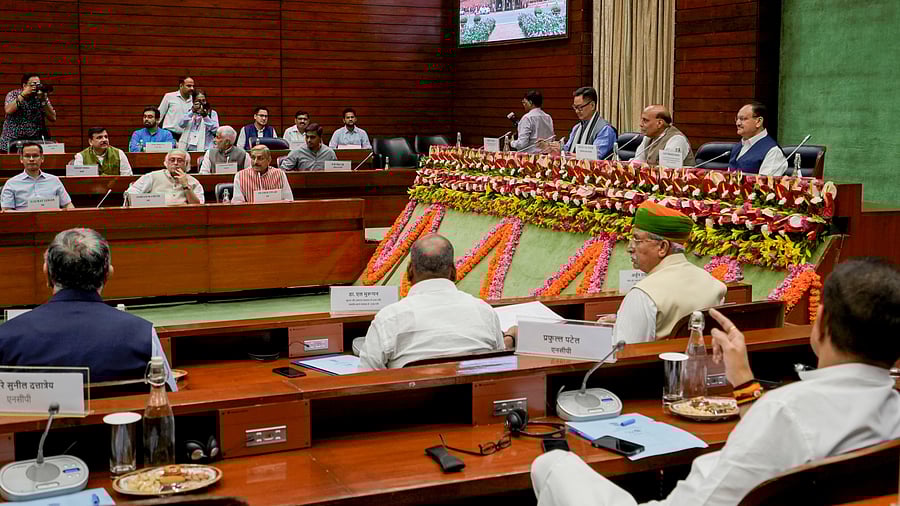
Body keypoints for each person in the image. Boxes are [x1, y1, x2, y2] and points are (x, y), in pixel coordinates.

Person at [531, 257, 900, 506]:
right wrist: (742, 381)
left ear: (822, 324)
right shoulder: (891, 408)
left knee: (553, 465)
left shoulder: (784, 410)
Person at [0, 228, 176, 390]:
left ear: (47, 273)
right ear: (107, 274)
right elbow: (168, 398)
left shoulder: (6, 336)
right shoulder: (143, 333)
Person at [359, 234, 505, 369]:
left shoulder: (389, 319)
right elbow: (500, 366)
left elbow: (365, 378)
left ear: (410, 271)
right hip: (476, 397)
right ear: (453, 271)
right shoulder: (485, 312)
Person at [611, 201, 725, 343]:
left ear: (662, 247)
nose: (630, 247)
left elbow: (623, 355)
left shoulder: (643, 294)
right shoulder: (714, 285)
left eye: (637, 239)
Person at [1, 142, 73, 210]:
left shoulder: (54, 180)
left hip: (51, 220)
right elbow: (6, 210)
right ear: (21, 159)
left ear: (42, 158)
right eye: (27, 156)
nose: (31, 159)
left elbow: (68, 205)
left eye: (35, 156)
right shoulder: (11, 183)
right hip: (23, 221)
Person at [124, 149, 204, 205]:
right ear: (166, 163)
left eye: (180, 161)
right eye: (172, 160)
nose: (175, 163)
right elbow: (131, 193)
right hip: (155, 216)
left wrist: (186, 186)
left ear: (186, 164)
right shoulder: (152, 176)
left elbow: (198, 206)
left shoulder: (194, 182)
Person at [1, 73, 57, 153]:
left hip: (33, 142)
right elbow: (8, 110)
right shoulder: (13, 94)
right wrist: (23, 95)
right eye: (33, 84)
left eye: (38, 84)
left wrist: (43, 100)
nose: (36, 87)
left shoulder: (40, 97)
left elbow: (53, 118)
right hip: (12, 141)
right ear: (24, 86)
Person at [729, 102, 788, 176]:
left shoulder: (773, 151)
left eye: (742, 119)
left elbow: (765, 184)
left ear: (759, 121)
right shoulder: (737, 147)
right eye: (737, 119)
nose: (738, 123)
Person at [559, 87, 617, 159]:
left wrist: (567, 154)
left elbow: (595, 157)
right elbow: (568, 148)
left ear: (592, 105)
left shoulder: (605, 130)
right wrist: (556, 148)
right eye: (575, 107)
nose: (577, 111)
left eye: (580, 107)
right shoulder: (577, 128)